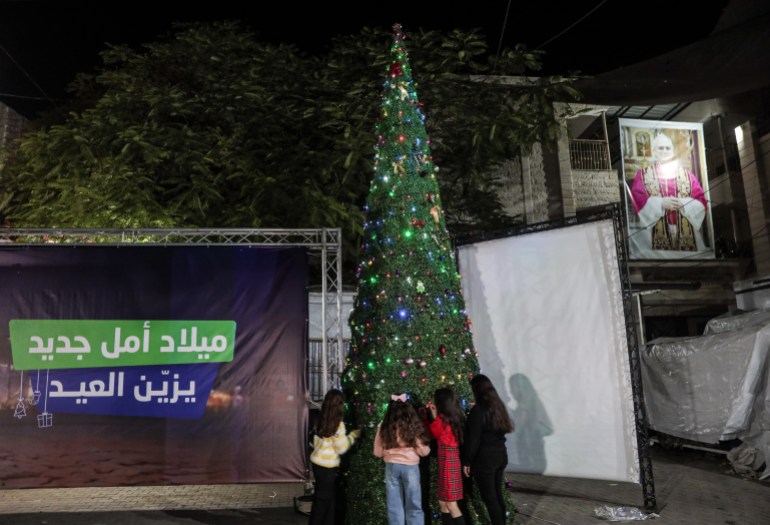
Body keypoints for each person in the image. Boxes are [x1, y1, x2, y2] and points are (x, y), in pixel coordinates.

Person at [629, 132, 708, 254]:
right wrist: (660, 203)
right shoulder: (643, 175)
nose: (665, 151)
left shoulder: (687, 175)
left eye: (668, 148)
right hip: (652, 235)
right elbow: (637, 199)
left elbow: (701, 201)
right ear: (654, 151)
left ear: (672, 151)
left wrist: (683, 204)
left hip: (687, 234)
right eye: (661, 148)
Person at [462, 374, 514, 525]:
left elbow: (473, 439)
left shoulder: (478, 410)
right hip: (500, 455)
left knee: (490, 498)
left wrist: (467, 461)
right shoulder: (498, 407)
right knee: (497, 495)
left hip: (485, 459)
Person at [374, 393, 432, 525]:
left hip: (391, 467)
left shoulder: (383, 426)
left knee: (394, 506)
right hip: (410, 467)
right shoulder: (412, 425)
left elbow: (377, 452)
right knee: (414, 504)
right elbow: (423, 451)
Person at [309, 389, 361, 525]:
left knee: (327, 501)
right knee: (322, 504)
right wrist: (353, 436)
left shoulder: (320, 418)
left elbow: (315, 441)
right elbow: (342, 448)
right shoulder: (337, 425)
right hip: (327, 467)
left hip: (317, 463)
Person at [427, 387, 466, 525]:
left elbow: (431, 433)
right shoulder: (456, 416)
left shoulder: (442, 419)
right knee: (443, 502)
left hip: (448, 462)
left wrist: (433, 417)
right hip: (450, 460)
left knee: (451, 504)